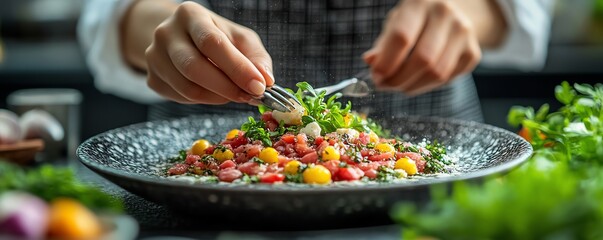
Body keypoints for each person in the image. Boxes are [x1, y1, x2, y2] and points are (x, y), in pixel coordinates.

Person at [78, 0, 553, 122]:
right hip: (198, 189)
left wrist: (467, 13)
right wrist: (165, 29)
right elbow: (111, 13)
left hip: (434, 183)